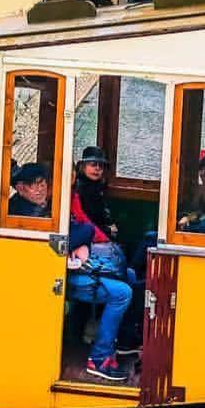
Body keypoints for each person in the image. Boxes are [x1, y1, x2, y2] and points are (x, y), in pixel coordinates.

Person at [66, 201, 136, 382]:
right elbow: (83, 231)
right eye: (35, 183)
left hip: (75, 264)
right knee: (122, 293)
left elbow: (83, 230)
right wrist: (79, 241)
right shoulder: (27, 211)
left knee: (129, 275)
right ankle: (99, 359)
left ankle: (123, 342)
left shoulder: (53, 203)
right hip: (62, 274)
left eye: (43, 182)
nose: (41, 187)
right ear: (21, 187)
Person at [71, 146, 119, 237]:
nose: (97, 168)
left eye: (100, 166)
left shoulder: (98, 187)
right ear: (83, 167)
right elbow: (86, 220)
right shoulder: (80, 189)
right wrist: (108, 230)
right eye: (93, 164)